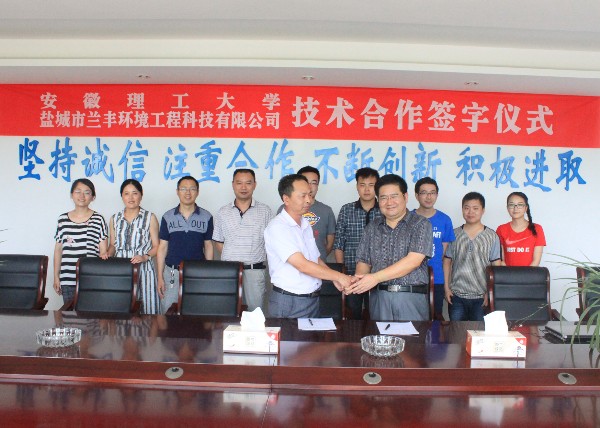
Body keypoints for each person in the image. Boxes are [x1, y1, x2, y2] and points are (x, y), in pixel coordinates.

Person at [265, 174, 354, 318]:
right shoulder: (278, 227)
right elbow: (302, 265)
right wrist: (339, 276)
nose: (308, 200)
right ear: (286, 199)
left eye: (310, 195)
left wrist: (334, 278)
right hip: (290, 301)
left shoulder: (305, 223)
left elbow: (315, 259)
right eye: (303, 196)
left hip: (311, 300)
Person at [347, 174, 433, 321]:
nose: (389, 202)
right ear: (378, 200)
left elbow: (413, 261)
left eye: (394, 196)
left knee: (413, 336)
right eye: (383, 198)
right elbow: (363, 263)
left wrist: (375, 278)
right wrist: (355, 283)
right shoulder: (372, 227)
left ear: (405, 197)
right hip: (379, 298)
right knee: (379, 336)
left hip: (411, 297)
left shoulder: (420, 224)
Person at [212, 169, 274, 312]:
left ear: (255, 185)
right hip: (230, 271)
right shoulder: (223, 212)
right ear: (233, 185)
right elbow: (219, 242)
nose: (243, 187)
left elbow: (271, 242)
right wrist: (233, 256)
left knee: (255, 314)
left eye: (248, 183)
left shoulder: (265, 211)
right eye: (239, 183)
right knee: (229, 312)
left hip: (255, 271)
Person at [157, 176, 213, 314]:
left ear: (197, 192)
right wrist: (160, 277)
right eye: (183, 189)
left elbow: (208, 246)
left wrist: (208, 273)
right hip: (172, 273)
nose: (188, 192)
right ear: (177, 191)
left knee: (197, 312)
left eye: (192, 189)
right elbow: (162, 247)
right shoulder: (167, 216)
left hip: (197, 273)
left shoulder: (207, 216)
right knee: (169, 313)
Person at [444, 192, 501, 321]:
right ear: (462, 209)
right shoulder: (454, 234)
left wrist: (490, 292)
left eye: (475, 208)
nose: (470, 212)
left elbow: (496, 267)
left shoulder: (492, 236)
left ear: (483, 211)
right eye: (466, 208)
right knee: (456, 332)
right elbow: (447, 261)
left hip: (481, 297)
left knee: (479, 332)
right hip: (456, 296)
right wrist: (446, 288)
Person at [105, 179, 160, 314]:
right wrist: (108, 254)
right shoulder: (114, 218)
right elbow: (112, 244)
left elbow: (157, 246)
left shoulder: (150, 217)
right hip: (121, 269)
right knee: (123, 307)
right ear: (122, 196)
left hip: (144, 268)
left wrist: (145, 257)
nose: (130, 197)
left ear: (141, 195)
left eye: (134, 193)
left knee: (149, 308)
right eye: (126, 193)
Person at [333, 167, 381, 319]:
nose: (367, 189)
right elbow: (339, 243)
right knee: (353, 315)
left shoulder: (385, 210)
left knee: (376, 315)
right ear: (357, 186)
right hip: (351, 274)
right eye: (362, 185)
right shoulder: (347, 210)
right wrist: (342, 272)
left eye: (371, 185)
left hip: (378, 274)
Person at [53, 178, 108, 304]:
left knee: (91, 314)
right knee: (70, 314)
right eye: (78, 191)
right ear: (71, 195)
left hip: (91, 278)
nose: (82, 196)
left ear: (93, 197)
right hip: (67, 278)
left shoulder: (98, 219)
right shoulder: (62, 219)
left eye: (87, 192)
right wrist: (56, 276)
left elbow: (103, 251)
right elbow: (58, 250)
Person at [414, 177, 455, 320]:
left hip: (436, 278)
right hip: (412, 278)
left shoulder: (445, 220)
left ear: (437, 195)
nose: (428, 197)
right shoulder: (409, 218)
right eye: (424, 192)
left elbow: (443, 254)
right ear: (416, 195)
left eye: (432, 193)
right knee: (414, 319)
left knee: (435, 318)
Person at [277, 166, 336, 261]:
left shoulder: (326, 211)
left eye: (314, 183)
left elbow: (330, 243)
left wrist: (318, 260)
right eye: (306, 182)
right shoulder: (283, 211)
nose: (309, 186)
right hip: (294, 263)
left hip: (318, 264)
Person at [496, 191, 546, 266]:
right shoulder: (501, 229)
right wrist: (508, 273)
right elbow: (502, 261)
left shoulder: (537, 228)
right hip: (507, 272)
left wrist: (525, 274)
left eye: (520, 205)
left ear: (526, 208)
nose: (515, 208)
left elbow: (536, 261)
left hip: (530, 273)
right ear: (507, 208)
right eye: (511, 205)